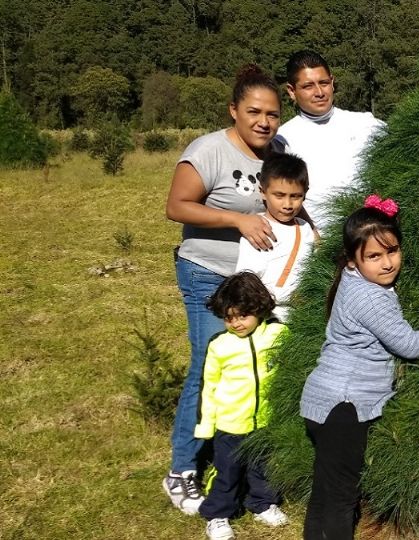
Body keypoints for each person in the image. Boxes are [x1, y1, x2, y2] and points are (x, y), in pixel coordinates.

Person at [299, 195, 419, 540]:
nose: (387, 263)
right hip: (343, 407)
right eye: (374, 256)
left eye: (392, 251)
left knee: (326, 489)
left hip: (324, 400)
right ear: (352, 259)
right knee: (342, 498)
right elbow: (407, 344)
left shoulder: (351, 278)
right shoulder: (371, 297)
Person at [163, 64, 284, 514]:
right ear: (233, 110)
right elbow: (176, 206)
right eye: (253, 111)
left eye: (272, 114)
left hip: (256, 280)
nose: (263, 122)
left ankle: (251, 461)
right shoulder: (209, 150)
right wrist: (238, 220)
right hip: (208, 275)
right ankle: (182, 469)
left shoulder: (278, 149)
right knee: (208, 365)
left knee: (256, 365)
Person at [195, 272, 290, 540]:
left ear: (259, 308)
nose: (236, 323)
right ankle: (218, 515)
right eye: (229, 317)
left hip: (265, 419)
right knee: (227, 471)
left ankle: (262, 504)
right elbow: (209, 387)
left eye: (242, 316)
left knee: (264, 466)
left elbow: (289, 371)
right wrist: (206, 425)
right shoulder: (220, 346)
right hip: (230, 422)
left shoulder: (278, 334)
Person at [276, 50, 386, 229]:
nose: (319, 92)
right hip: (316, 244)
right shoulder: (282, 139)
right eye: (308, 86)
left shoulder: (366, 124)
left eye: (324, 83)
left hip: (367, 237)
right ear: (291, 91)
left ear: (332, 82)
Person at [235, 153, 317, 322]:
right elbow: (247, 279)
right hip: (266, 318)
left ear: (305, 193)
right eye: (279, 196)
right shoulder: (257, 229)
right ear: (263, 192)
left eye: (296, 196)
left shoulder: (305, 228)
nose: (287, 205)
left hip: (301, 317)